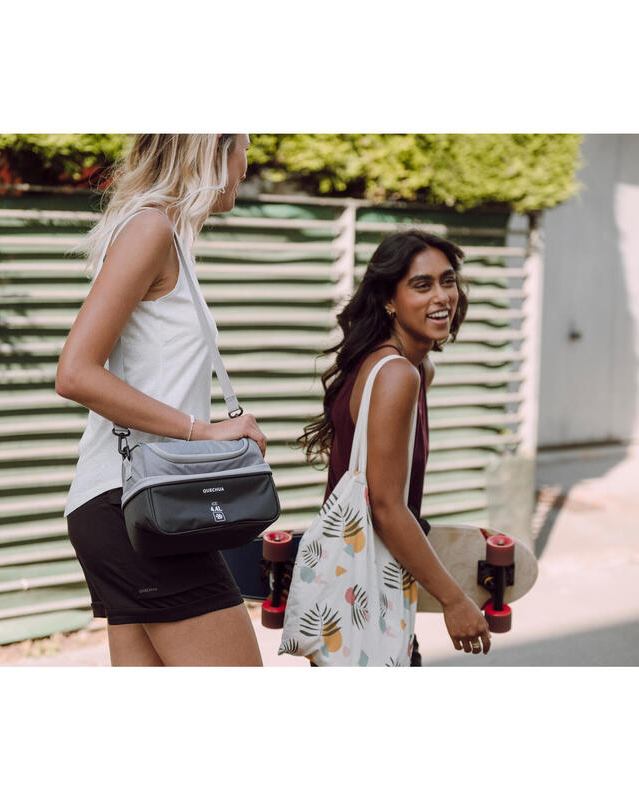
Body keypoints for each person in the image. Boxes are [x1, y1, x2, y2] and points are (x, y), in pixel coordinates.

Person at [56, 134, 266, 666]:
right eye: (244, 144)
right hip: (140, 507)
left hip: (130, 505)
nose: (248, 161)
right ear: (213, 149)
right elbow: (76, 373)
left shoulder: (165, 235)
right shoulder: (151, 228)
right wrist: (205, 430)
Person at [298, 229, 491, 665]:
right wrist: (454, 600)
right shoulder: (396, 374)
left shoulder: (411, 369)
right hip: (361, 599)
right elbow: (385, 506)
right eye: (421, 285)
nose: (442, 296)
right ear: (389, 299)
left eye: (448, 280)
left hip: (364, 592)